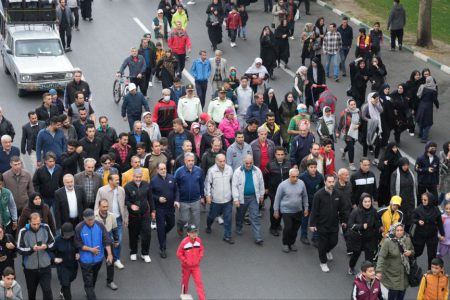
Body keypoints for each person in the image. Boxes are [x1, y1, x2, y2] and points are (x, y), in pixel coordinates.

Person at [309, 174, 349, 272]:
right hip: (322, 224)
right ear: (325, 182)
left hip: (334, 224)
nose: (331, 184)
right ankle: (323, 262)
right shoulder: (318, 195)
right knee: (322, 244)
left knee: (334, 242)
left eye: (333, 182)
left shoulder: (338, 194)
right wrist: (312, 224)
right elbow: (314, 210)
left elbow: (343, 209)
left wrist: (344, 221)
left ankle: (327, 251)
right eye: (329, 182)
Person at [74, 208, 113, 300]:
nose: (91, 221)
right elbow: (77, 244)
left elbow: (106, 240)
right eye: (89, 220)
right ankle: (90, 293)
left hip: (98, 259)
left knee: (94, 278)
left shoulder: (100, 225)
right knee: (88, 282)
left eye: (92, 219)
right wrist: (91, 250)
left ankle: (89, 290)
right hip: (85, 260)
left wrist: (110, 254)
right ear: (84, 219)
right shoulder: (79, 227)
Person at [17, 212, 55, 300]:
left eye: (38, 223)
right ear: (29, 221)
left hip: (45, 266)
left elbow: (52, 242)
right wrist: (31, 249)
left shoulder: (45, 227)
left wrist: (46, 246)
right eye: (34, 224)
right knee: (31, 292)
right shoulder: (23, 231)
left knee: (47, 290)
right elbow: (19, 249)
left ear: (40, 221)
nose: (36, 226)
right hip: (30, 269)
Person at [94, 173, 127, 270]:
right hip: (105, 219)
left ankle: (116, 259)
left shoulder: (121, 190)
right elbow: (97, 205)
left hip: (118, 219)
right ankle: (103, 257)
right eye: (116, 179)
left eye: (118, 179)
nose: (118, 181)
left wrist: (125, 217)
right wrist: (96, 219)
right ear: (110, 181)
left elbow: (124, 205)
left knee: (118, 240)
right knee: (105, 239)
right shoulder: (102, 190)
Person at [376, 223, 414, 300]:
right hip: (391, 275)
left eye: (401, 230)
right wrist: (379, 271)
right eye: (397, 230)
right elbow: (381, 257)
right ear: (393, 231)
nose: (400, 232)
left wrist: (410, 252)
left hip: (404, 275)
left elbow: (412, 250)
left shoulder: (407, 239)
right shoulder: (387, 242)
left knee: (400, 297)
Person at [232, 155, 265, 245]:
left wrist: (261, 195)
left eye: (250, 163)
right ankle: (238, 227)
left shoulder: (257, 171)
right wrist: (236, 199)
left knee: (255, 217)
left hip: (253, 197)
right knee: (240, 215)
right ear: (243, 162)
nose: (249, 165)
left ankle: (258, 237)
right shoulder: (238, 171)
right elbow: (234, 186)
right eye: (247, 163)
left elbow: (261, 183)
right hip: (242, 198)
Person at [273, 168, 308, 252]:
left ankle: (291, 243)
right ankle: (285, 243)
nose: (295, 179)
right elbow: (277, 198)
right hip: (286, 210)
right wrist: (276, 210)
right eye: (293, 177)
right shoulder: (282, 185)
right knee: (288, 227)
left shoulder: (301, 183)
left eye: (297, 176)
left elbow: (305, 196)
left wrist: (306, 207)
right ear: (289, 176)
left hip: (298, 210)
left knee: (295, 229)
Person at [347, 193, 380, 275]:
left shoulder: (374, 211)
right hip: (359, 238)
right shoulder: (355, 212)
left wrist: (380, 229)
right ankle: (351, 267)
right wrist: (361, 226)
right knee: (355, 255)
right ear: (361, 202)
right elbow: (350, 225)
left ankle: (366, 273)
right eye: (365, 201)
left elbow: (377, 224)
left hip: (370, 238)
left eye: (369, 201)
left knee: (369, 259)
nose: (367, 203)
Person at [204, 154, 234, 244]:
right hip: (216, 200)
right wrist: (208, 195)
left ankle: (227, 236)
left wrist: (234, 196)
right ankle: (208, 225)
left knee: (228, 218)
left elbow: (233, 182)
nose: (222, 163)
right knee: (212, 216)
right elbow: (207, 184)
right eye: (220, 161)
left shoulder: (229, 169)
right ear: (216, 161)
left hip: (227, 200)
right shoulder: (211, 171)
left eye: (224, 161)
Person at [412, 192, 444, 270]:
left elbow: (439, 222)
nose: (423, 201)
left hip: (432, 235)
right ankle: (412, 264)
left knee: (432, 255)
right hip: (420, 235)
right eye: (422, 199)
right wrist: (418, 221)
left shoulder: (436, 210)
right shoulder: (418, 209)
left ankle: (430, 270)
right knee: (418, 252)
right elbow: (412, 219)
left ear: (430, 200)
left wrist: (442, 234)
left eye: (425, 200)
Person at [150, 163, 176, 258]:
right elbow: (150, 195)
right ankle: (162, 248)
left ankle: (162, 233)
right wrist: (158, 199)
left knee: (171, 224)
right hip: (160, 208)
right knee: (160, 227)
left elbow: (176, 191)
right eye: (161, 169)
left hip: (170, 207)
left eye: (164, 168)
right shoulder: (154, 181)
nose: (163, 170)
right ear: (157, 170)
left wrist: (176, 200)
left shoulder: (172, 178)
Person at [174, 153, 204, 235]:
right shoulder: (179, 172)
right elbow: (176, 187)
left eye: (192, 160)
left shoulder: (199, 170)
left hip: (196, 200)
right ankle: (179, 225)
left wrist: (202, 196)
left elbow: (201, 184)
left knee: (196, 221)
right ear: (185, 161)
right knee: (184, 219)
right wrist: (177, 200)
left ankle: (192, 236)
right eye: (189, 160)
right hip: (183, 201)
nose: (191, 162)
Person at [93, 200, 119, 290]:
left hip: (108, 241)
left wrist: (116, 240)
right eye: (103, 207)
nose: (105, 209)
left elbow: (115, 229)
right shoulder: (93, 216)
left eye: (107, 207)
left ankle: (110, 281)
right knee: (96, 264)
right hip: (97, 242)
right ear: (99, 206)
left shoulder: (112, 216)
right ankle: (91, 284)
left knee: (110, 262)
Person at [177, 224, 205, 300]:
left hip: (196, 267)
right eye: (192, 232)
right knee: (185, 282)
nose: (194, 234)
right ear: (188, 233)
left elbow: (201, 250)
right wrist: (185, 261)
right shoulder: (184, 242)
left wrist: (199, 258)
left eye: (195, 232)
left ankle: (202, 298)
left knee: (199, 283)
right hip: (186, 267)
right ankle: (184, 296)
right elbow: (179, 253)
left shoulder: (199, 240)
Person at [53, 222, 78, 300]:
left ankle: (62, 290)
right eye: (66, 234)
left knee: (70, 279)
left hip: (73, 265)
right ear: (62, 233)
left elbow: (78, 247)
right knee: (66, 284)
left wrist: (78, 253)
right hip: (62, 266)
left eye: (70, 234)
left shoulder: (74, 238)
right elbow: (51, 251)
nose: (68, 236)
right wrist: (54, 258)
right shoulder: (57, 240)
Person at [390, 157, 417, 230]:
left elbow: (414, 187)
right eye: (404, 165)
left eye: (407, 165)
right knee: (400, 220)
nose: (406, 167)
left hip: (410, 201)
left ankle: (407, 233)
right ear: (400, 165)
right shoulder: (395, 174)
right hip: (400, 202)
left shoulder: (411, 173)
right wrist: (395, 202)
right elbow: (392, 189)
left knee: (410, 219)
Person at [360, 93, 383, 163]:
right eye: (375, 99)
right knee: (367, 141)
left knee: (378, 142)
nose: (377, 100)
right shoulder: (366, 106)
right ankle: (365, 156)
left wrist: (376, 104)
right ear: (371, 98)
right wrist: (370, 120)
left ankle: (376, 158)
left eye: (378, 99)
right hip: (368, 125)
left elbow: (381, 110)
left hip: (376, 125)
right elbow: (363, 116)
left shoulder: (377, 103)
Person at [377, 142, 401, 206]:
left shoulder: (398, 155)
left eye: (396, 147)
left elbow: (401, 163)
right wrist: (384, 164)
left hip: (394, 177)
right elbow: (379, 166)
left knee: (392, 190)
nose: (395, 149)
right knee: (384, 191)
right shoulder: (385, 155)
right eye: (393, 148)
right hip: (386, 178)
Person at [416, 76, 439, 143]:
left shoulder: (422, 87)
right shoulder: (433, 90)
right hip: (428, 107)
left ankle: (420, 134)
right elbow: (435, 100)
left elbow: (418, 95)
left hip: (421, 105)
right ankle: (424, 138)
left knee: (421, 121)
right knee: (428, 123)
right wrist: (437, 106)